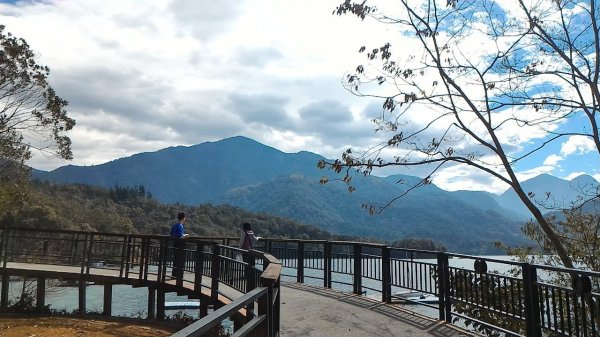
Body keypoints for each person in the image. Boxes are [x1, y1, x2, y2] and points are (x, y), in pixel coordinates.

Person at [170, 212, 188, 280]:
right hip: (180, 245)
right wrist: (185, 235)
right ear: (183, 218)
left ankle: (174, 274)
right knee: (180, 260)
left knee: (175, 260)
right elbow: (181, 236)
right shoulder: (180, 226)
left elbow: (171, 234)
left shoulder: (174, 226)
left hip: (175, 244)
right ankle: (178, 276)